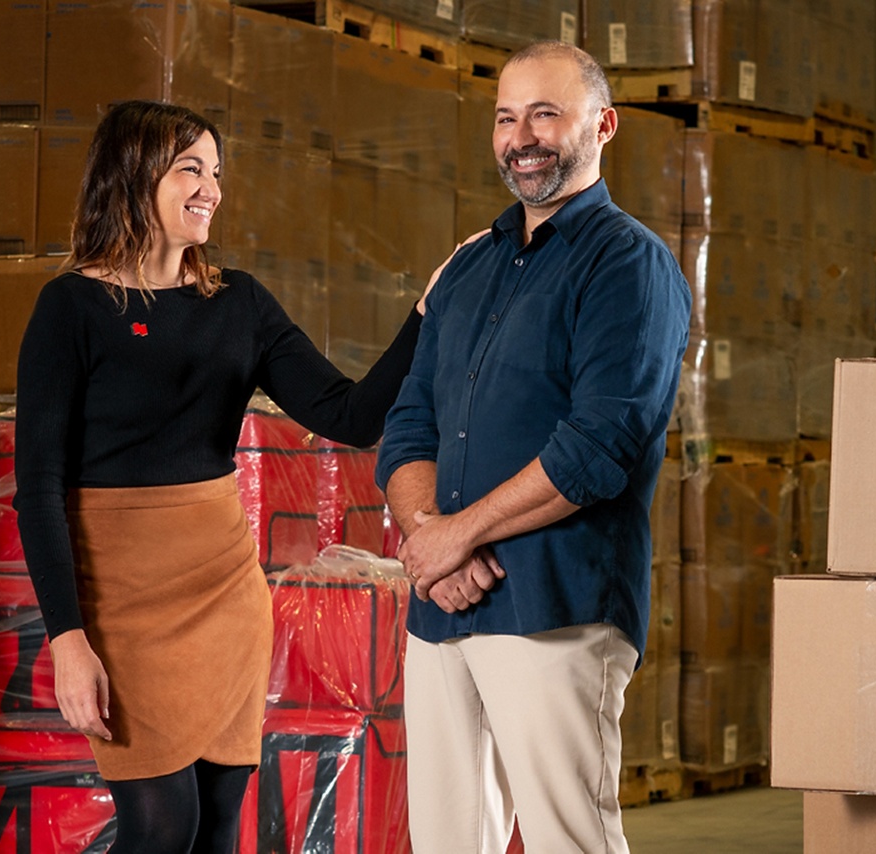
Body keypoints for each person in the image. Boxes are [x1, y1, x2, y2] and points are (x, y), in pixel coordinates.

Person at [12, 100, 458, 854]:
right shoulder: (71, 308)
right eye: (191, 169)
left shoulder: (238, 302)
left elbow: (348, 415)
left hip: (223, 591)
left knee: (216, 828)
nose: (211, 189)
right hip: (120, 600)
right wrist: (67, 640)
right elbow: (39, 486)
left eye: (216, 173)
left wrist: (426, 314)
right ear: (134, 174)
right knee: (162, 828)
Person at [376, 41, 692, 853]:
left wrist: (458, 534)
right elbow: (410, 420)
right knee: (448, 843)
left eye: (546, 114)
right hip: (443, 610)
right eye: (507, 118)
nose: (523, 137)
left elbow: (599, 445)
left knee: (568, 839)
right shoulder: (468, 268)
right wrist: (428, 540)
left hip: (559, 608)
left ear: (603, 124)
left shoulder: (630, 265)